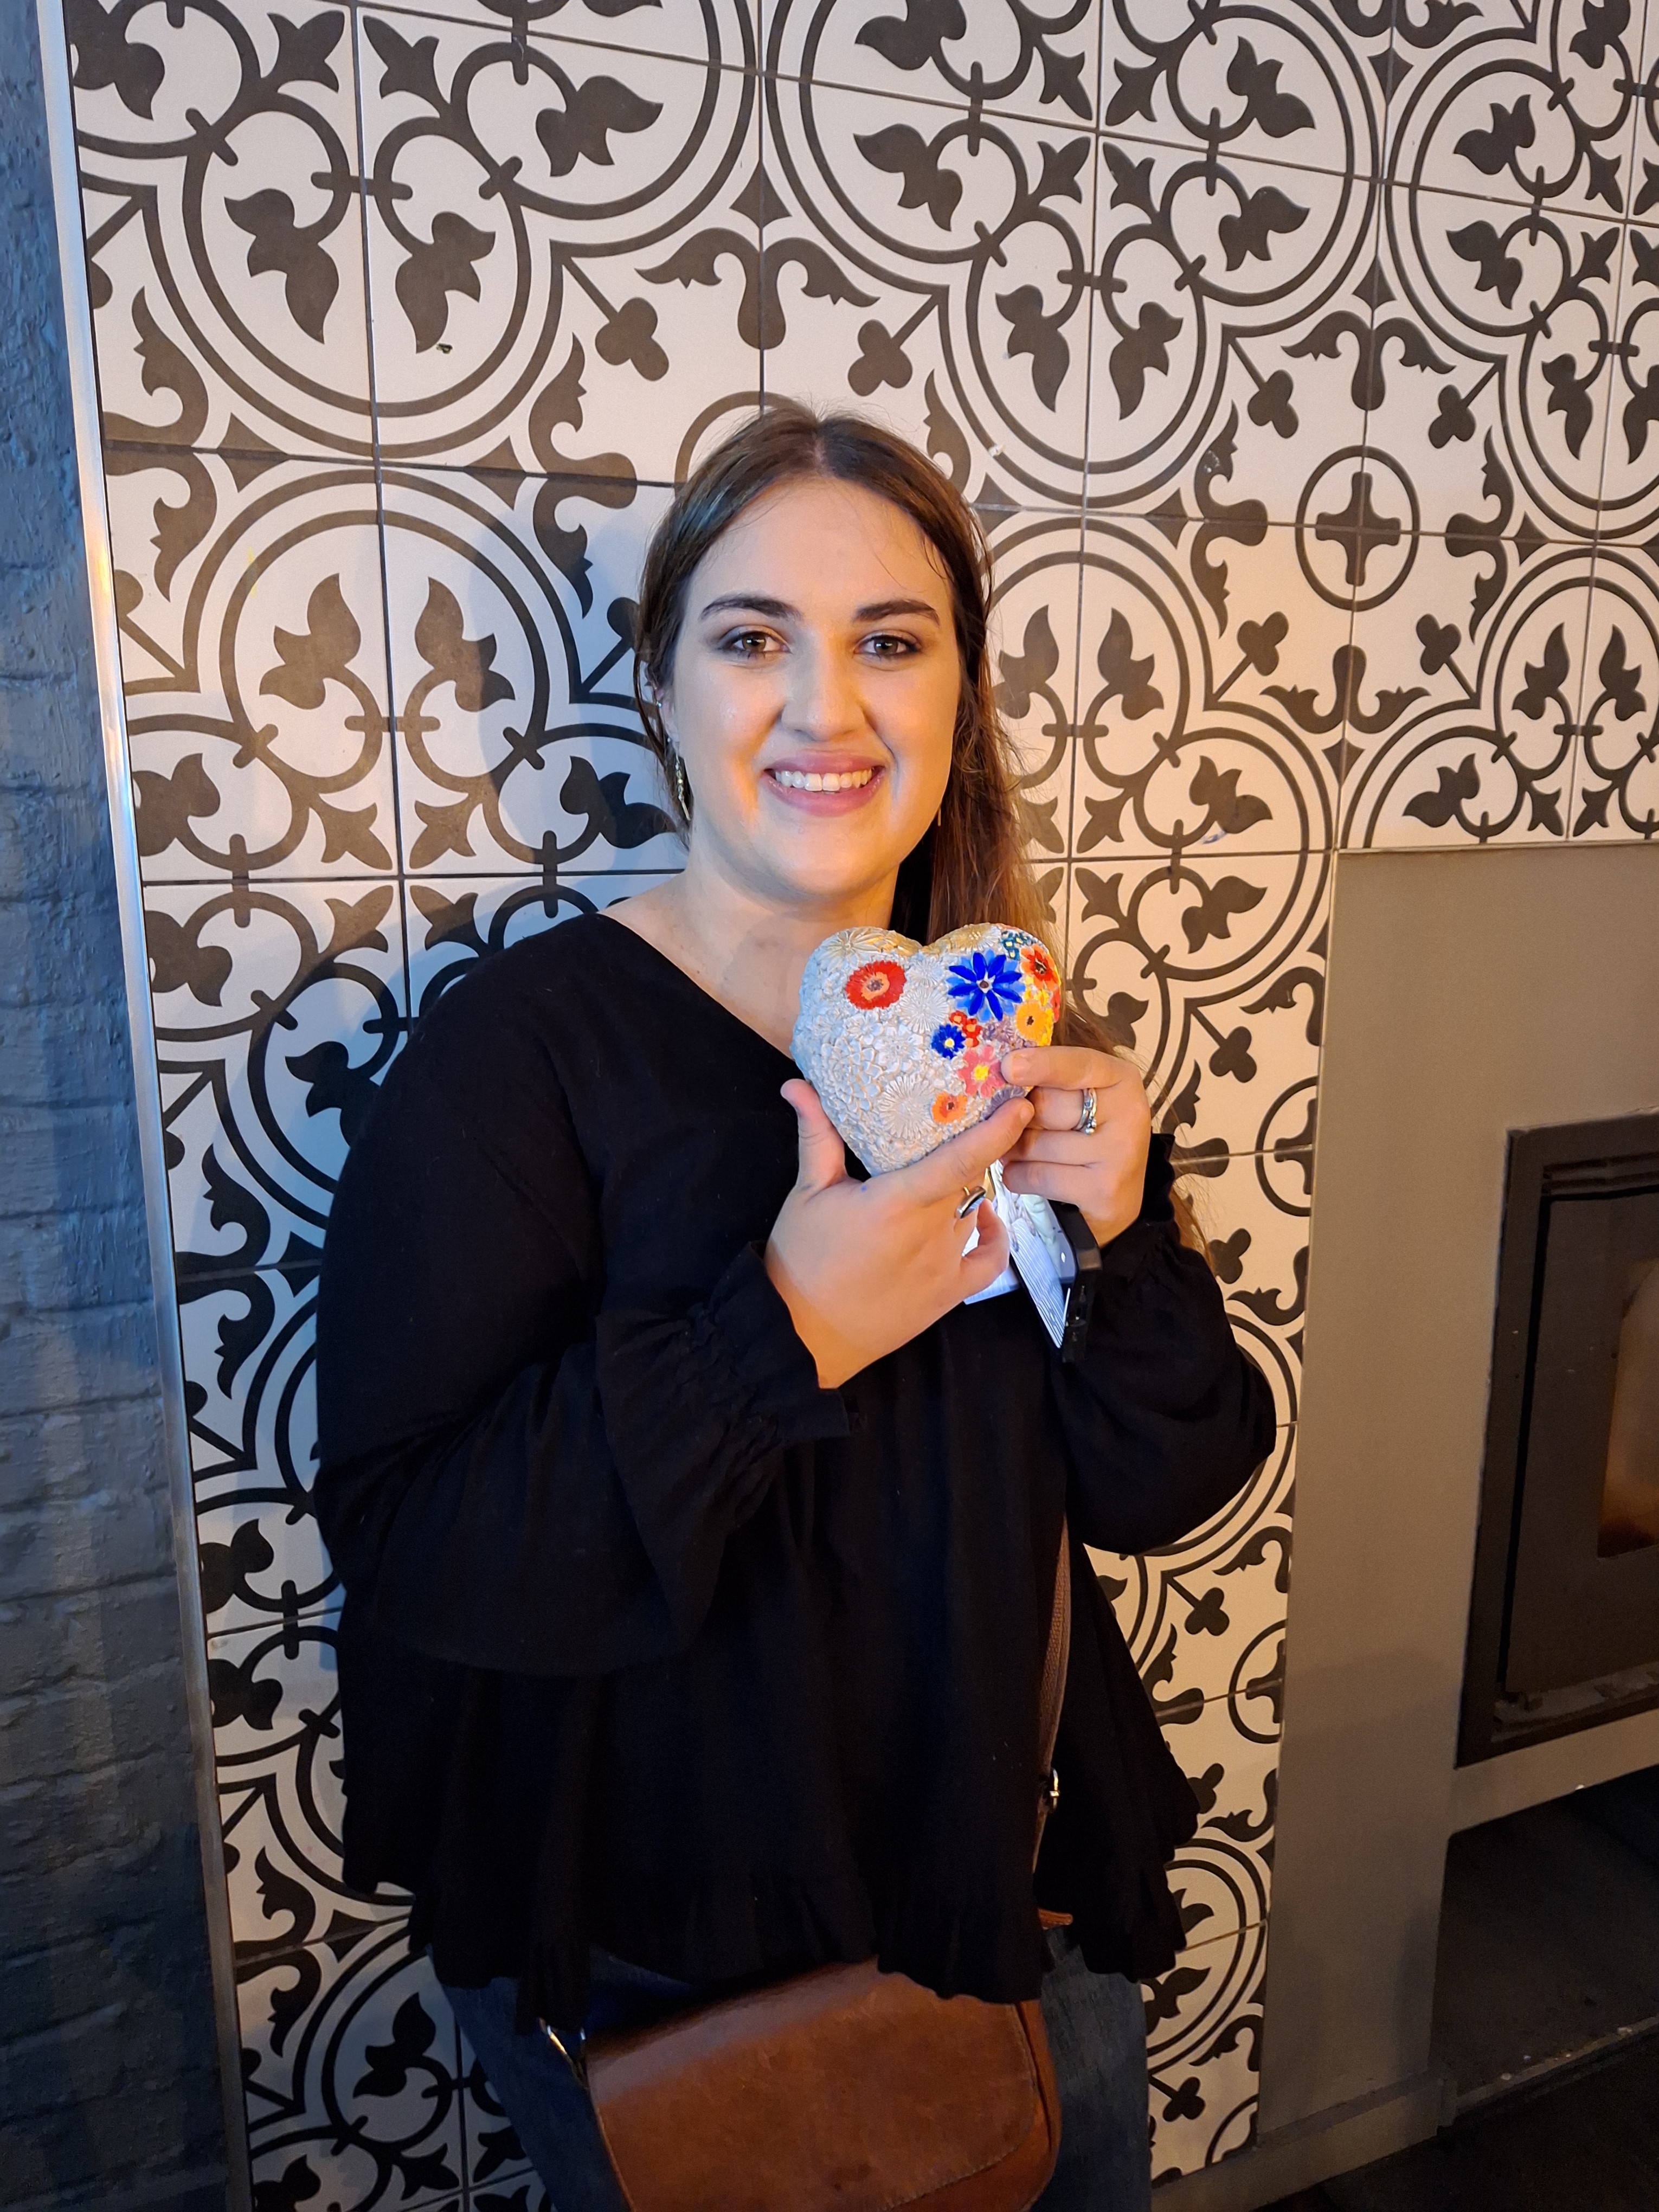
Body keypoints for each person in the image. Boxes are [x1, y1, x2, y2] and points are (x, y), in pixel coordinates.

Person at [313, 404, 1275, 2209]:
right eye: (752, 638)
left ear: (958, 693)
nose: (826, 711)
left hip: (1019, 1910)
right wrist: (784, 1334)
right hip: (678, 1970)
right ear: (664, 687)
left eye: (889, 644)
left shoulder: (1019, 1045)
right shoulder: (514, 1064)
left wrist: (1128, 1238)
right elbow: (416, 1542)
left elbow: (1164, 1489)